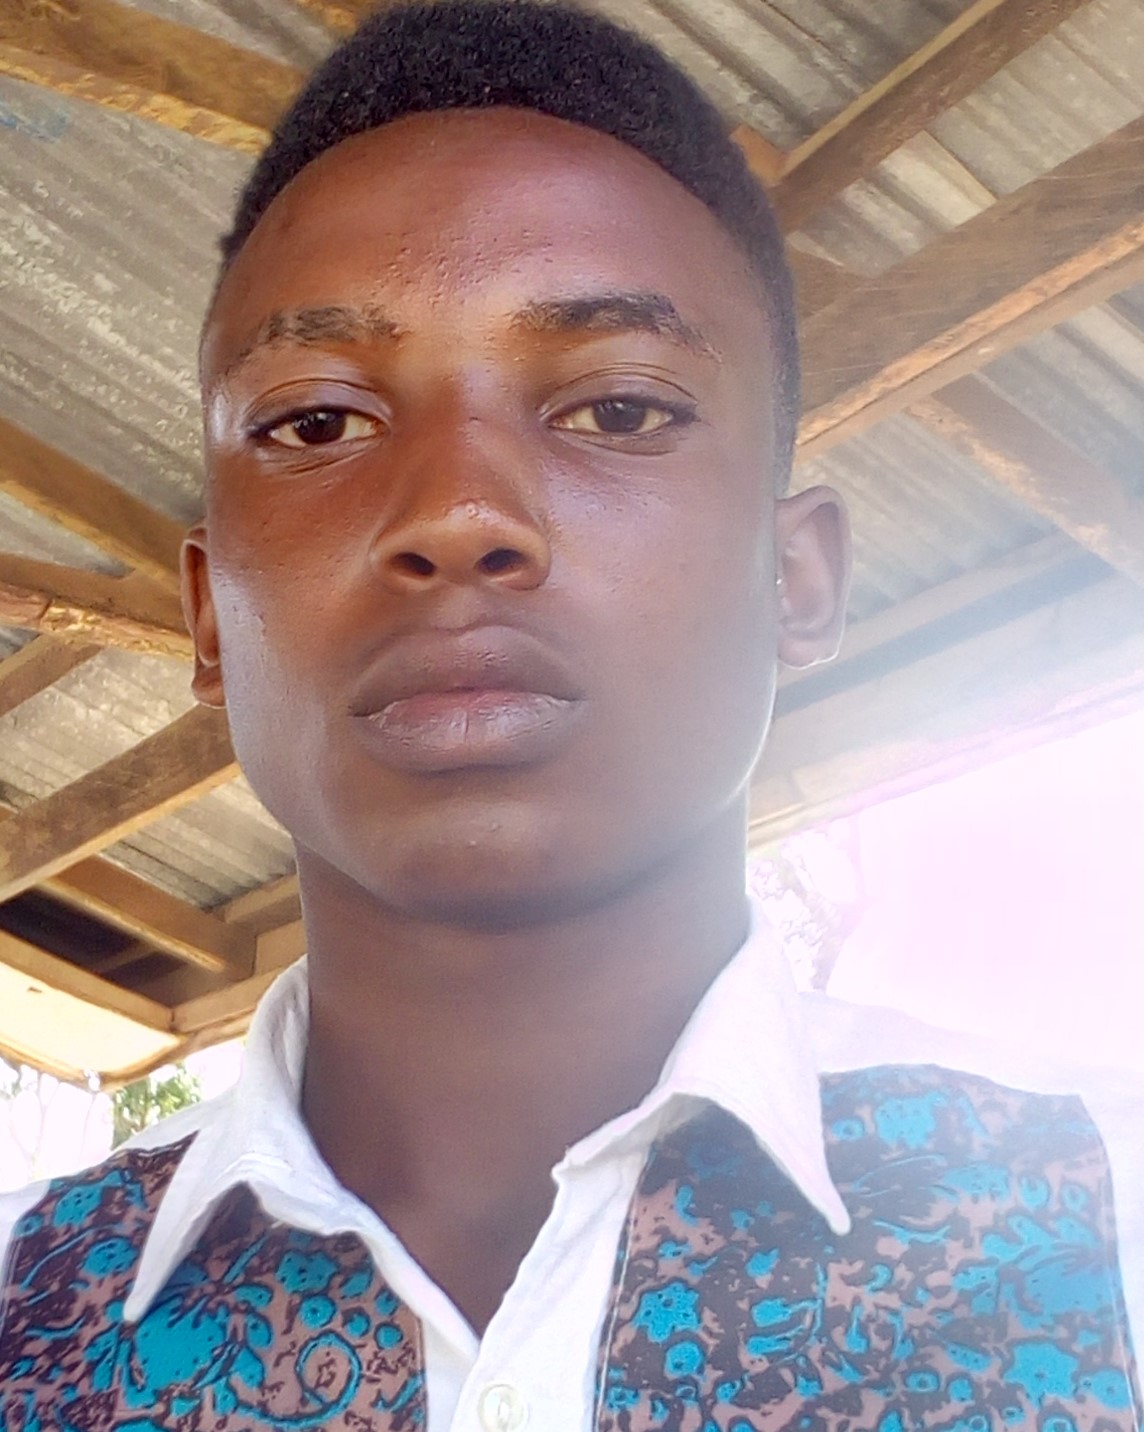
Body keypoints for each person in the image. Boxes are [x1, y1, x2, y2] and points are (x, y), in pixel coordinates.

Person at [1, 3, 1140, 1428]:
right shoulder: (25, 1307)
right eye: (318, 423)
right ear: (211, 619)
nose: (458, 514)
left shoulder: (1105, 1214)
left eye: (618, 411)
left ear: (795, 580)